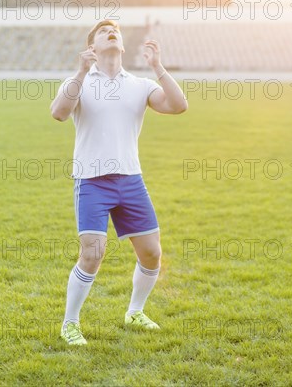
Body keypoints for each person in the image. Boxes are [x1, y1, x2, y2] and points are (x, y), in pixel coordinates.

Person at [50, 19, 187, 345]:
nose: (111, 32)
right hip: (92, 181)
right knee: (93, 253)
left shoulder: (139, 85)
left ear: (122, 45)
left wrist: (158, 67)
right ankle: (70, 323)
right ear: (92, 47)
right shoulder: (78, 81)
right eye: (102, 32)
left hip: (130, 180)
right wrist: (81, 72)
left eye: (115, 31)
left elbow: (179, 106)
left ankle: (135, 311)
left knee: (152, 253)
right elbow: (58, 112)